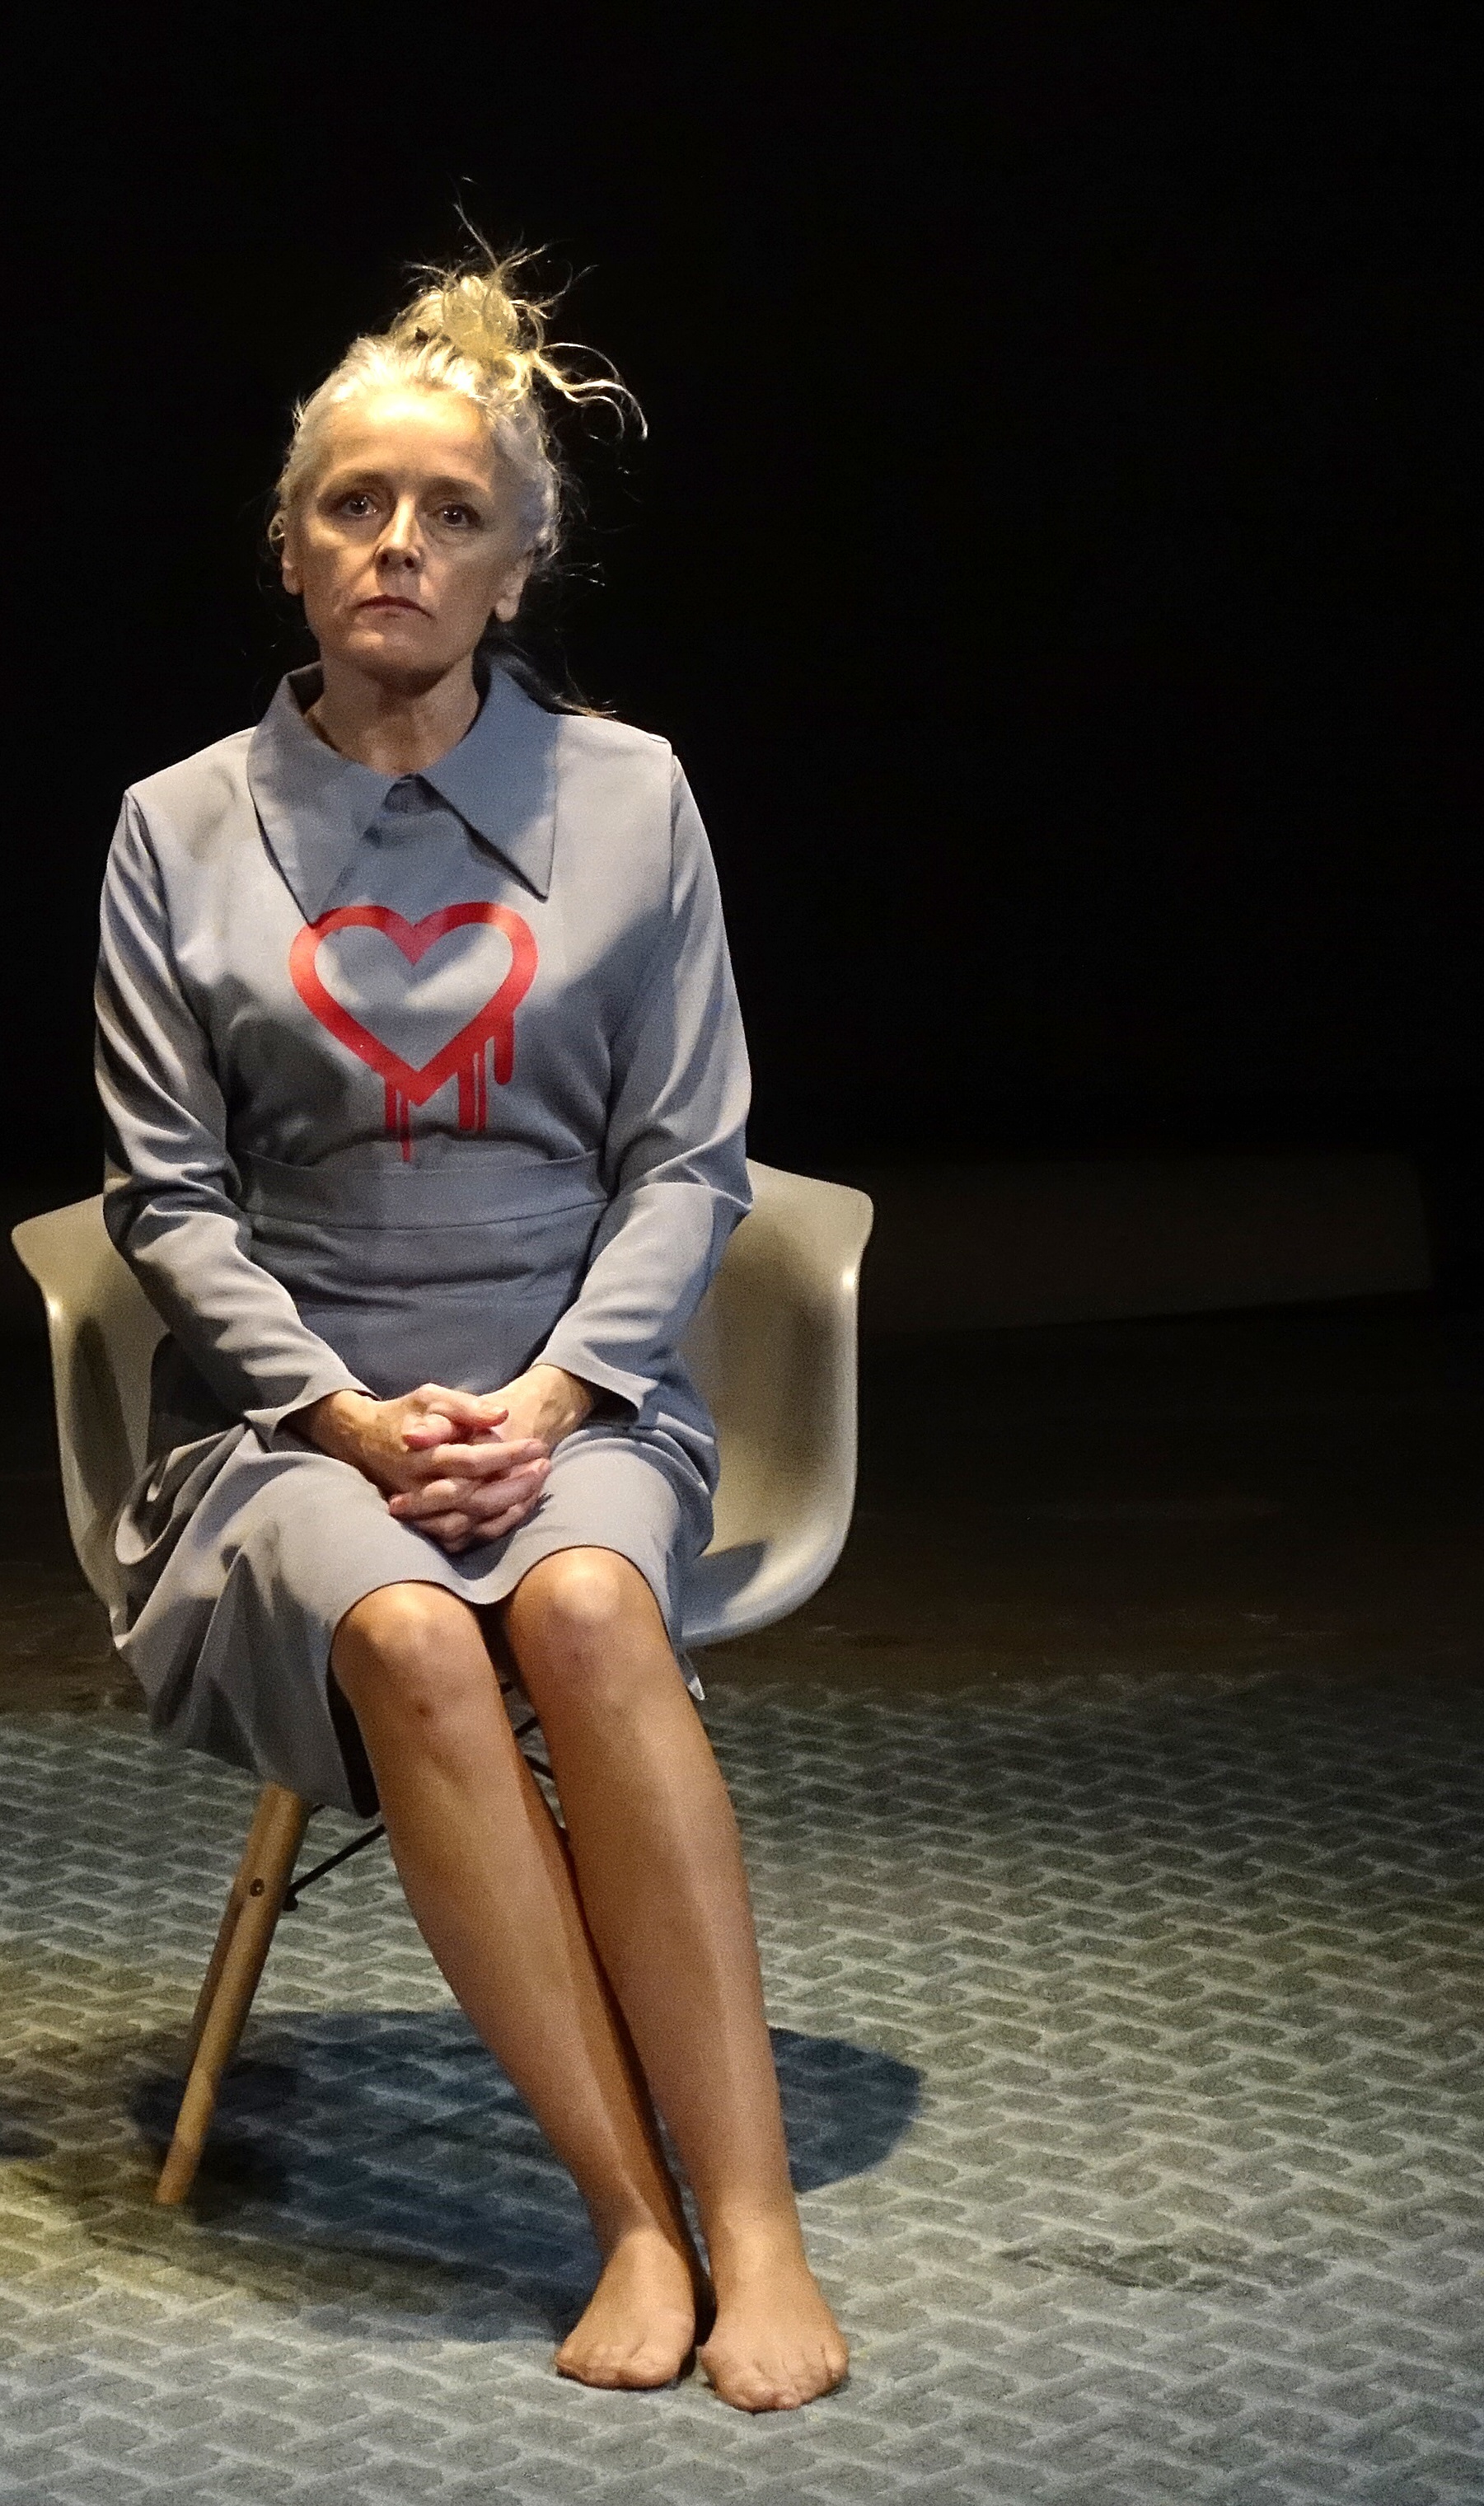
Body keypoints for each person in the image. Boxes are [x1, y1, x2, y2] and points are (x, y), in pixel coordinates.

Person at [94, 253, 849, 2412]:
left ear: (518, 567)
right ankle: (632, 2216)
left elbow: (688, 1157)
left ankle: (758, 2227)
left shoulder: (632, 797)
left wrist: (551, 1393)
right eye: (353, 507)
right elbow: (165, 1195)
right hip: (283, 1426)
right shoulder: (174, 827)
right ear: (289, 546)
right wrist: (341, 1413)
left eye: (446, 515)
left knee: (589, 1604)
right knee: (418, 1633)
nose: (395, 548)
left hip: (572, 1393)